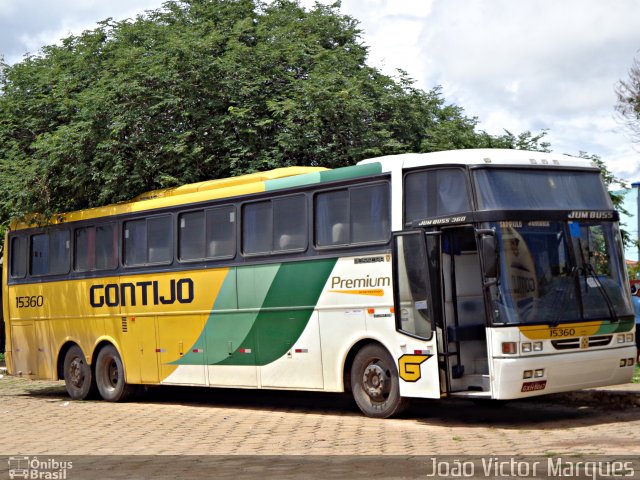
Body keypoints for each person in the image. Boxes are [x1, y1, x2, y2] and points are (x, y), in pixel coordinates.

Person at [632, 285, 640, 361]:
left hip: (630, 324)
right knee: (639, 343)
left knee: (632, 342)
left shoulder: (627, 300)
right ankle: (637, 359)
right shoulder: (639, 301)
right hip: (639, 323)